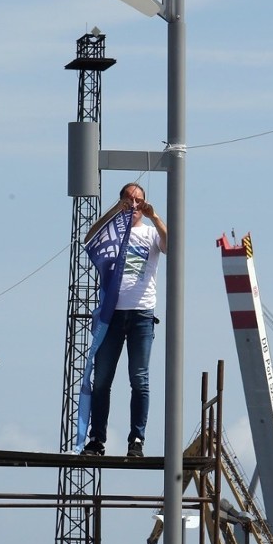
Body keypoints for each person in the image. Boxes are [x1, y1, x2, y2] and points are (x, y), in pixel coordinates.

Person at [82, 181, 167, 459]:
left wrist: (154, 215)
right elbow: (89, 238)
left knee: (139, 380)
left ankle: (137, 440)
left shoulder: (150, 232)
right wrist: (112, 212)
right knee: (103, 379)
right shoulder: (112, 231)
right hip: (112, 315)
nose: (133, 205)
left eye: (138, 200)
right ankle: (97, 440)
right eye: (129, 199)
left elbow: (170, 245)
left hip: (141, 313)